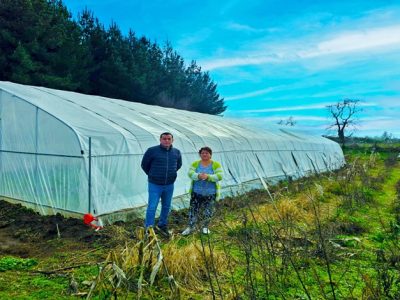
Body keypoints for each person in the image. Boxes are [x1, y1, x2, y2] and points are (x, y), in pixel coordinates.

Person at [141, 132, 182, 237]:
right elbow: (144, 165)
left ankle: (162, 225)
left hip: (169, 184)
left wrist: (170, 175)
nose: (166, 141)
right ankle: (148, 229)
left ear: (172, 140)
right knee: (152, 206)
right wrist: (153, 175)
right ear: (160, 140)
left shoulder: (176, 152)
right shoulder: (152, 151)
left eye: (169, 139)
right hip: (155, 184)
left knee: (166, 206)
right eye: (164, 139)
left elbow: (178, 165)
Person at [182, 146, 223, 235]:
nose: (204, 154)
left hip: (210, 192)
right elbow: (190, 173)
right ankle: (190, 227)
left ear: (210, 155)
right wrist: (198, 176)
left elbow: (220, 175)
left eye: (207, 153)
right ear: (200, 154)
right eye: (203, 153)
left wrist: (208, 177)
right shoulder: (195, 164)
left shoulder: (215, 164)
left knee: (208, 210)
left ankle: (205, 227)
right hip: (197, 192)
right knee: (193, 210)